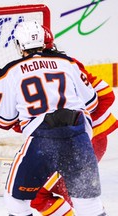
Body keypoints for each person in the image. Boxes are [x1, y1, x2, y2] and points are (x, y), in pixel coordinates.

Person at [0, 20, 107, 215]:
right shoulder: (68, 63)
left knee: (16, 201)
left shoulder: (9, 72)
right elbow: (92, 102)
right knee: (89, 204)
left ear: (19, 45)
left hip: (42, 141)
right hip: (78, 137)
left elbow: (4, 119)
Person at [42, 25, 118, 162]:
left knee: (67, 182)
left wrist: (82, 124)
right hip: (78, 140)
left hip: (90, 139)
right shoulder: (31, 70)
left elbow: (106, 94)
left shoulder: (68, 64)